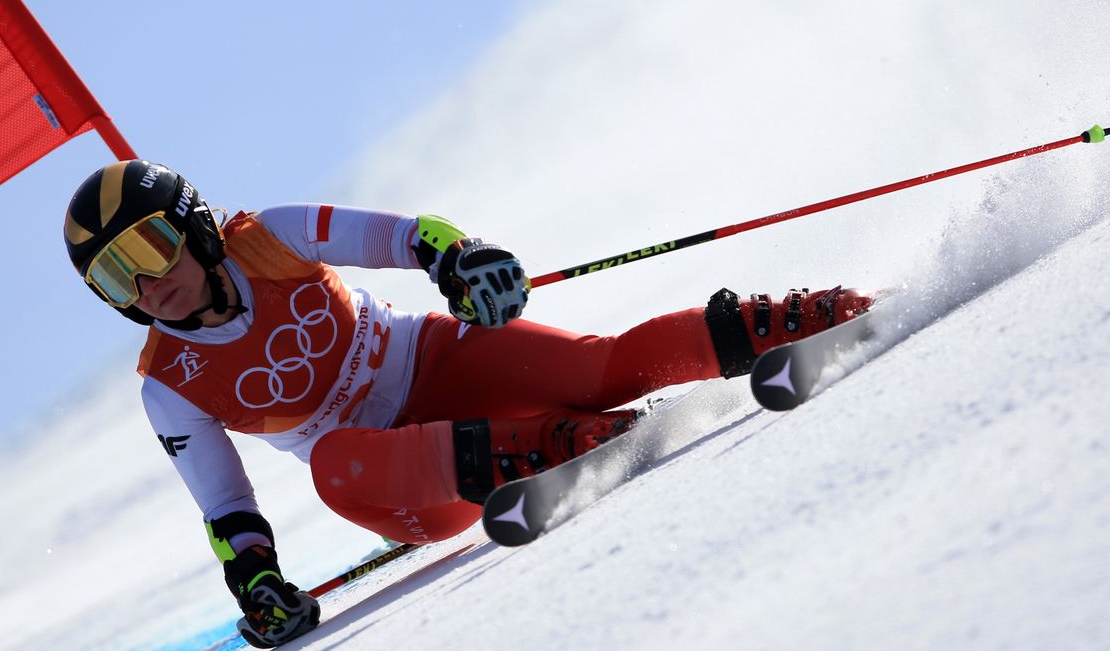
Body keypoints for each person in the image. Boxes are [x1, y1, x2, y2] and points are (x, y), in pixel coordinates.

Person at [63, 160, 872, 648]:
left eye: (147, 248)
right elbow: (227, 505)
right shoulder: (168, 383)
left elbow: (404, 236)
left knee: (605, 367)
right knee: (334, 465)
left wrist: (460, 257)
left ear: (192, 226)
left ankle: (818, 317)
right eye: (112, 276)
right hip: (406, 478)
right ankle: (555, 447)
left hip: (439, 358)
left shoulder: (267, 237)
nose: (145, 283)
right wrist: (260, 582)